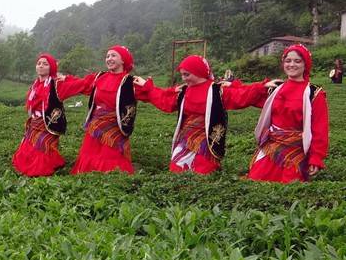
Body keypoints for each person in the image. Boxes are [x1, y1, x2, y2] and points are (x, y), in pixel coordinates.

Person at [134, 55, 272, 174]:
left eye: (187, 74)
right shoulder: (184, 91)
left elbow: (241, 95)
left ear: (198, 72)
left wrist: (261, 87)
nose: (184, 78)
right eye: (182, 75)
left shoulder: (217, 90)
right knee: (177, 171)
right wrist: (147, 87)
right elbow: (164, 100)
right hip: (185, 140)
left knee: (203, 171)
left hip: (207, 140)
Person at [248, 44, 329, 182]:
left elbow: (320, 129)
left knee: (290, 183)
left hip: (296, 148)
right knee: (257, 179)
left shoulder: (314, 93)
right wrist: (229, 86)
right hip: (271, 146)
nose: (292, 64)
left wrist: (316, 157)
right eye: (288, 61)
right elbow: (245, 96)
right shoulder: (276, 88)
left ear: (306, 64)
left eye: (297, 61)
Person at [71, 45, 147, 174]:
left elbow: (150, 94)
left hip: (115, 127)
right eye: (107, 56)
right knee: (89, 156)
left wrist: (150, 87)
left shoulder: (129, 81)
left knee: (111, 157)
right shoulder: (99, 77)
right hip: (95, 126)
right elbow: (82, 84)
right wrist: (64, 81)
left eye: (113, 56)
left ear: (123, 60)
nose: (109, 59)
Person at [11, 53, 89, 176]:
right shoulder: (35, 85)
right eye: (39, 64)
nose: (41, 66)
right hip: (34, 123)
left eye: (45, 64)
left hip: (48, 124)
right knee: (26, 152)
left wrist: (67, 78)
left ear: (51, 68)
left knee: (41, 154)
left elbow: (81, 84)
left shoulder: (57, 84)